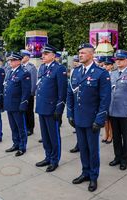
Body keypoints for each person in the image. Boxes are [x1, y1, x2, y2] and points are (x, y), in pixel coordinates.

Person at [67, 43, 111, 192]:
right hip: (78, 118)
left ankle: (93, 177)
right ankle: (85, 172)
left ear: (92, 54)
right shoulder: (76, 72)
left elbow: (105, 99)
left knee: (93, 150)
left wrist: (99, 119)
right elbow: (70, 94)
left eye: (83, 53)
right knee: (83, 148)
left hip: (92, 119)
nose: (80, 55)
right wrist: (70, 114)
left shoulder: (101, 73)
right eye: (79, 53)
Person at [35, 44, 67, 172]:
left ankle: (54, 160)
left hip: (52, 109)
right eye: (43, 53)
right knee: (45, 135)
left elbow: (62, 92)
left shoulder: (59, 69)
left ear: (53, 55)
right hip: (42, 107)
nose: (43, 56)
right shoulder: (42, 67)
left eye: (46, 54)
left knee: (54, 136)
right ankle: (47, 156)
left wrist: (59, 110)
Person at [3, 52, 31, 157]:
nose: (10, 62)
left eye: (13, 60)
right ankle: (15, 143)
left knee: (21, 127)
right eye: (10, 60)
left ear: (19, 61)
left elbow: (26, 91)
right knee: (13, 126)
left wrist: (23, 104)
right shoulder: (10, 71)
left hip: (17, 104)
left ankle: (22, 146)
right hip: (9, 104)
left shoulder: (24, 73)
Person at [21, 49, 37, 136]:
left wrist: (31, 93)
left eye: (23, 56)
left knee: (29, 112)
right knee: (23, 111)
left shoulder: (31, 67)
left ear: (27, 57)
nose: (21, 58)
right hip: (21, 94)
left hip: (29, 94)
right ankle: (24, 126)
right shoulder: (20, 66)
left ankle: (30, 128)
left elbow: (33, 82)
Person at [102, 57, 115, 144]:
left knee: (111, 120)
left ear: (111, 66)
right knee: (105, 119)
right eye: (105, 64)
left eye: (108, 65)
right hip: (104, 99)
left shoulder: (114, 74)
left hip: (112, 99)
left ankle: (111, 135)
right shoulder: (103, 74)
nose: (106, 66)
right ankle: (106, 134)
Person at [69, 55, 81, 153]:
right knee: (77, 127)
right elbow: (71, 90)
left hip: (85, 105)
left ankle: (80, 145)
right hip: (76, 103)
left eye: (78, 61)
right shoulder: (74, 71)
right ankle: (79, 144)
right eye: (75, 61)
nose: (76, 62)